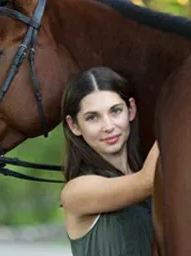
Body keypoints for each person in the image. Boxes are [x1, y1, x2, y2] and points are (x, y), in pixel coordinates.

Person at [60, 67, 159, 256]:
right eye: (92, 117)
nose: (108, 126)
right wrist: (180, 105)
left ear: (131, 110)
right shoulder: (76, 191)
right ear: (74, 125)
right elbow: (146, 182)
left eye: (115, 111)